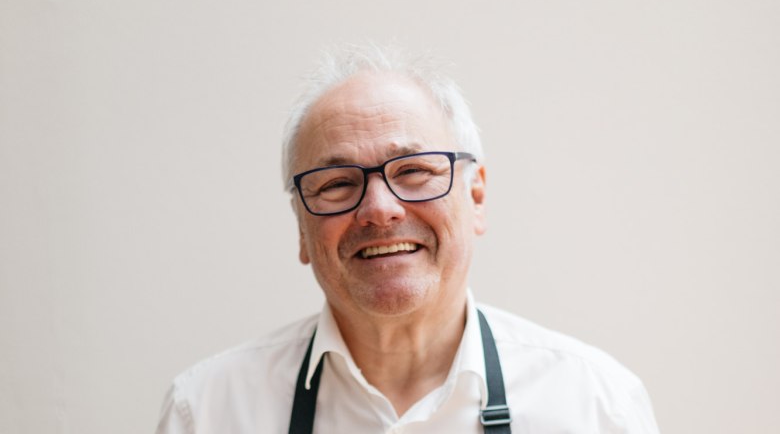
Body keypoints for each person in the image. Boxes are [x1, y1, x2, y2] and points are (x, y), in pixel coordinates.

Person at [155, 44, 660, 433]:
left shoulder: (595, 404)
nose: (378, 209)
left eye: (414, 171)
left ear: (476, 196)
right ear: (302, 230)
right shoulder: (207, 410)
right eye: (337, 184)